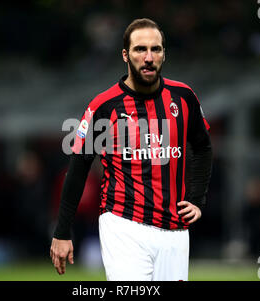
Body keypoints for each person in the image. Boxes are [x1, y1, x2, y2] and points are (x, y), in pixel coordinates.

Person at [50, 18, 213, 281]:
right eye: (140, 49)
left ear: (164, 54)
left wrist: (196, 199)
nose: (148, 57)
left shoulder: (184, 97)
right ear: (126, 55)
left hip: (175, 231)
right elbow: (78, 168)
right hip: (124, 225)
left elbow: (203, 147)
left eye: (155, 49)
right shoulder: (104, 106)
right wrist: (62, 232)